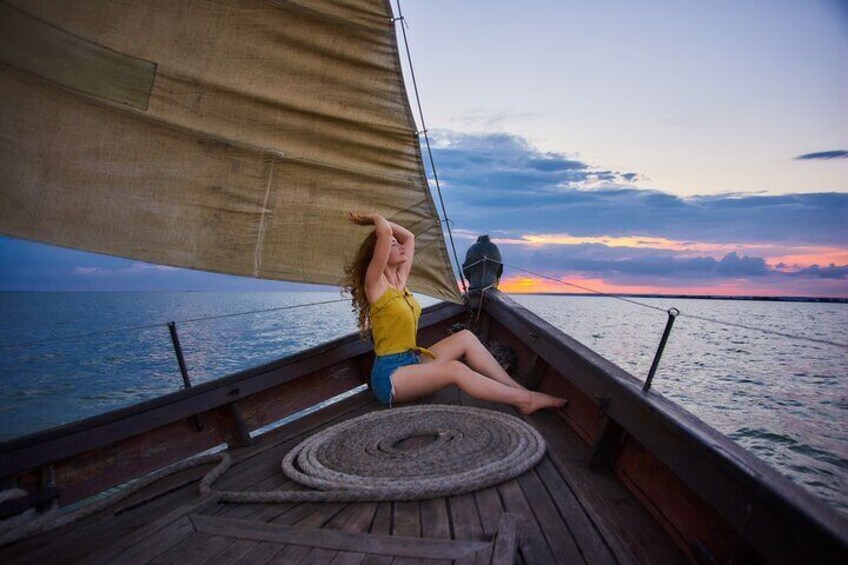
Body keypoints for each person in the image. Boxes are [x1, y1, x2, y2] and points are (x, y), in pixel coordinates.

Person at [344, 211, 567, 414]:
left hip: (411, 361)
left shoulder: (399, 283)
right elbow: (384, 234)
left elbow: (409, 237)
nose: (401, 246)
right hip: (390, 377)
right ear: (380, 253)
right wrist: (373, 218)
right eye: (393, 245)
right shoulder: (375, 285)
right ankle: (525, 400)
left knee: (466, 337)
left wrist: (383, 225)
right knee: (455, 370)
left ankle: (518, 389)